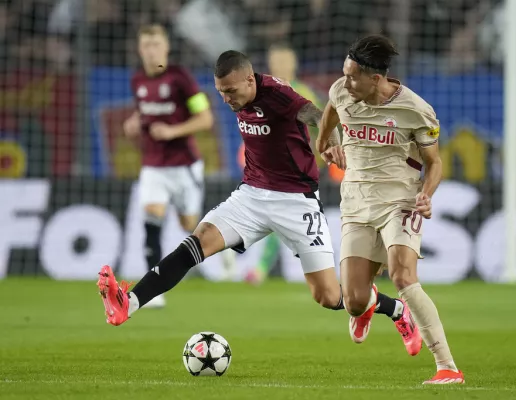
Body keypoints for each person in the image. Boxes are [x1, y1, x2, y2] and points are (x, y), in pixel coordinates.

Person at [97, 50, 419, 354]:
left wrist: (332, 143)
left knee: (332, 296)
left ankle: (395, 309)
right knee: (195, 244)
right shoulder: (239, 97)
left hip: (296, 201)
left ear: (250, 80)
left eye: (232, 91)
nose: (227, 99)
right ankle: (130, 302)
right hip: (250, 195)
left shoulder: (279, 95)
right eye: (221, 92)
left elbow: (318, 115)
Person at [316, 34, 464, 384]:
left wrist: (427, 194)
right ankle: (371, 309)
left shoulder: (415, 109)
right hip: (355, 202)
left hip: (401, 201)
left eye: (353, 76)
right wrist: (327, 146)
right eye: (344, 73)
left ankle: (447, 367)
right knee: (351, 299)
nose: (345, 81)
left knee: (403, 276)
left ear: (375, 78)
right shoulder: (341, 91)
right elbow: (328, 122)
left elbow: (435, 162)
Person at [122, 24, 235, 308]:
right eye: (146, 45)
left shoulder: (180, 78)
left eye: (156, 45)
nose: (151, 51)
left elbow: (205, 118)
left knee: (189, 224)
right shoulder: (137, 81)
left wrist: (172, 132)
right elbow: (144, 111)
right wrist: (134, 123)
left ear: (166, 48)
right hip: (153, 166)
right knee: (151, 219)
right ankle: (153, 293)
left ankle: (225, 249)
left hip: (184, 166)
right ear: (140, 49)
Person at [243, 43, 325, 285]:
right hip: (267, 171)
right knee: (273, 219)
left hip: (299, 172)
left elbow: (322, 129)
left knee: (296, 222)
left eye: (283, 60)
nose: (278, 65)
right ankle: (259, 267)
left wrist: (315, 157)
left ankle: (314, 269)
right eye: (274, 60)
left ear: (293, 63)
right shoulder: (260, 93)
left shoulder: (305, 94)